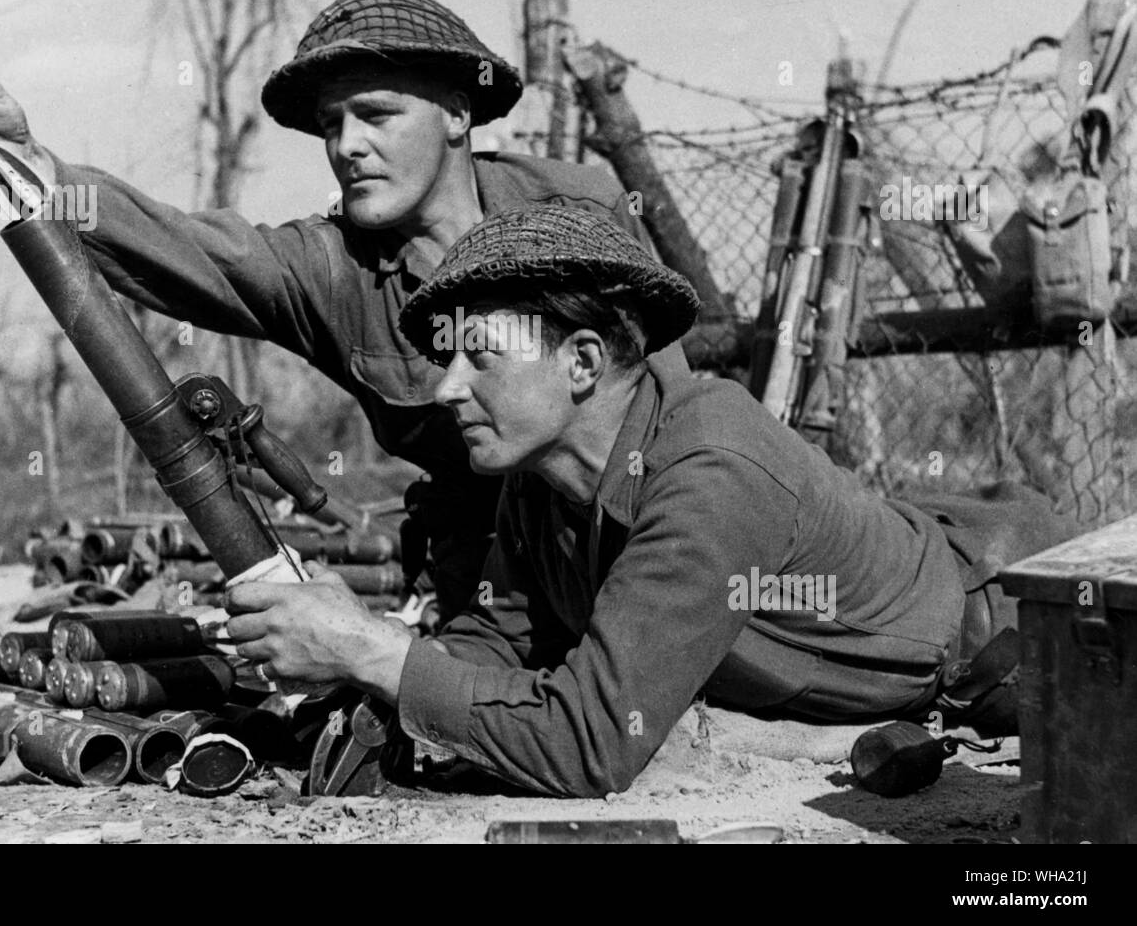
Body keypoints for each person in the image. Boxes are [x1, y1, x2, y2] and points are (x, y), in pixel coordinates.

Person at [222, 204, 1073, 798]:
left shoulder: (710, 464)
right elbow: (500, 635)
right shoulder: (541, 476)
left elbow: (593, 742)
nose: (447, 389)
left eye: (479, 357)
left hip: (1021, 631)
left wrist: (369, 650)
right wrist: (376, 668)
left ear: (583, 364)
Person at [0, 0, 673, 621]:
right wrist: (19, 162)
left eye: (377, 114)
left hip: (633, 545)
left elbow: (673, 415)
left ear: (459, 113)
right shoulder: (329, 266)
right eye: (332, 123)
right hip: (491, 588)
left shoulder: (578, 206)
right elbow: (180, 244)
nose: (348, 145)